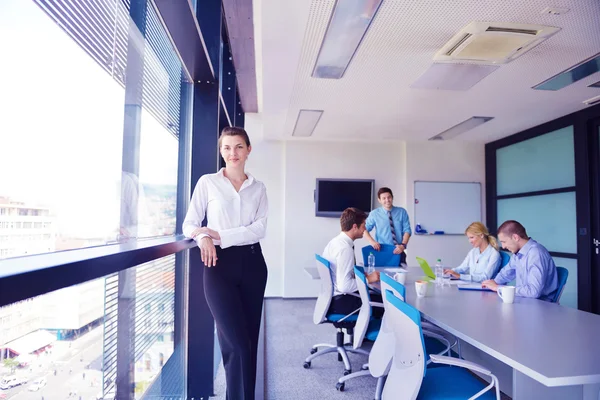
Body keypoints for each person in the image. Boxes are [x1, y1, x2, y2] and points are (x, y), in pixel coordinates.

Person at [183, 127, 268, 400]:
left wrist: (220, 234)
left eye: (239, 147)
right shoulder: (207, 182)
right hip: (217, 264)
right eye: (227, 148)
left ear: (248, 149)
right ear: (221, 151)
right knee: (235, 341)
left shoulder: (259, 187)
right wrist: (203, 236)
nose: (233, 153)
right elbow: (190, 223)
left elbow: (260, 229)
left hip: (253, 264)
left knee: (248, 342)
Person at [323, 207, 383, 318]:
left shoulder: (335, 242)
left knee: (375, 296)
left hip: (331, 298)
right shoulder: (345, 249)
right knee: (384, 304)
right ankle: (368, 335)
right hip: (341, 301)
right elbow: (344, 286)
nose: (365, 230)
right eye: (363, 225)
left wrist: (359, 277)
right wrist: (369, 279)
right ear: (355, 227)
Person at [482, 220, 558, 301]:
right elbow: (505, 274)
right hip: (525, 301)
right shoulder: (518, 253)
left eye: (504, 242)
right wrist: (492, 283)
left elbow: (533, 292)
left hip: (541, 306)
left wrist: (499, 288)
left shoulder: (536, 254)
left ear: (515, 237)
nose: (503, 247)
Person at [363, 187, 411, 265]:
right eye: (384, 198)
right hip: (382, 251)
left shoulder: (402, 212)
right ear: (379, 200)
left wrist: (403, 245)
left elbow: (407, 230)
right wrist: (372, 242)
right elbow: (364, 230)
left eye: (389, 197)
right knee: (382, 276)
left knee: (401, 276)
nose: (387, 200)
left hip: (398, 250)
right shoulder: (374, 214)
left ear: (392, 197)